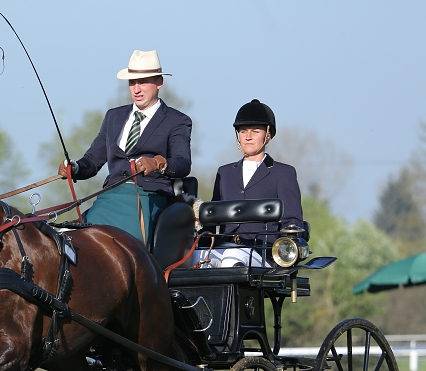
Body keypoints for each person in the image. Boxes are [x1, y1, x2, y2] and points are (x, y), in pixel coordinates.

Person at [58, 50, 192, 246]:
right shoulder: (114, 117)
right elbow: (92, 162)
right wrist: (75, 167)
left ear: (159, 82)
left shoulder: (177, 120)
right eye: (132, 83)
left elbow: (182, 163)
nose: (136, 89)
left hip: (149, 197)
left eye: (143, 82)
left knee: (126, 244)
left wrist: (157, 163)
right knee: (74, 240)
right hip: (110, 196)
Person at [196, 99, 304, 268]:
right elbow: (213, 217)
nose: (248, 137)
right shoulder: (224, 173)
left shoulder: (283, 173)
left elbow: (292, 220)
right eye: (243, 131)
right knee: (195, 258)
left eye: (255, 131)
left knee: (232, 256)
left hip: (263, 252)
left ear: (268, 134)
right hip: (224, 245)